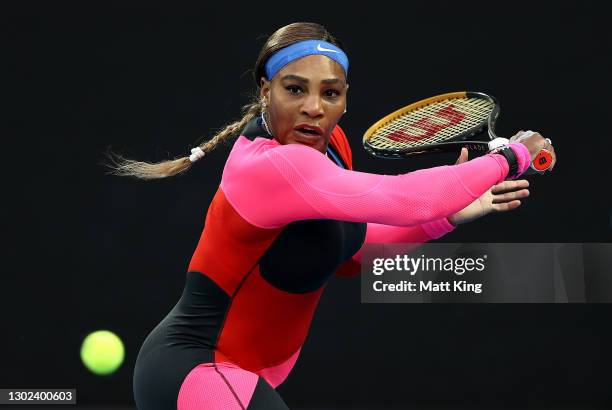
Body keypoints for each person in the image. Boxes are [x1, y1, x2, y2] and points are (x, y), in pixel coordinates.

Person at [108, 22, 556, 410]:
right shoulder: (271, 165)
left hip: (245, 375)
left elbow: (351, 257)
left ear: (344, 99)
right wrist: (513, 156)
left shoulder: (331, 147)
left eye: (330, 93)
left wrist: (446, 217)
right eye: (295, 89)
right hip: (193, 369)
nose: (314, 108)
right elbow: (406, 197)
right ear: (266, 91)